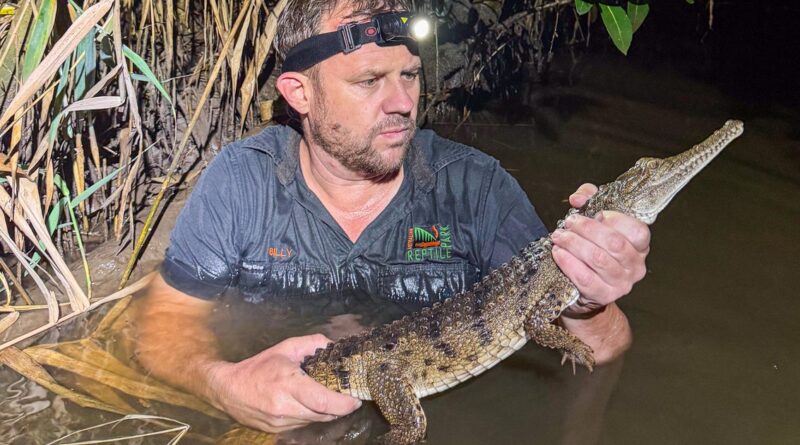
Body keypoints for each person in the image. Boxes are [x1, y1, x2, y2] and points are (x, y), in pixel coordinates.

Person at [133, 0, 650, 435]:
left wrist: (587, 301)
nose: (403, 102)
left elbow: (604, 351)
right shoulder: (242, 181)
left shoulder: (475, 188)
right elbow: (162, 327)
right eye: (369, 80)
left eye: (409, 75)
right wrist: (222, 384)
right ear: (300, 94)